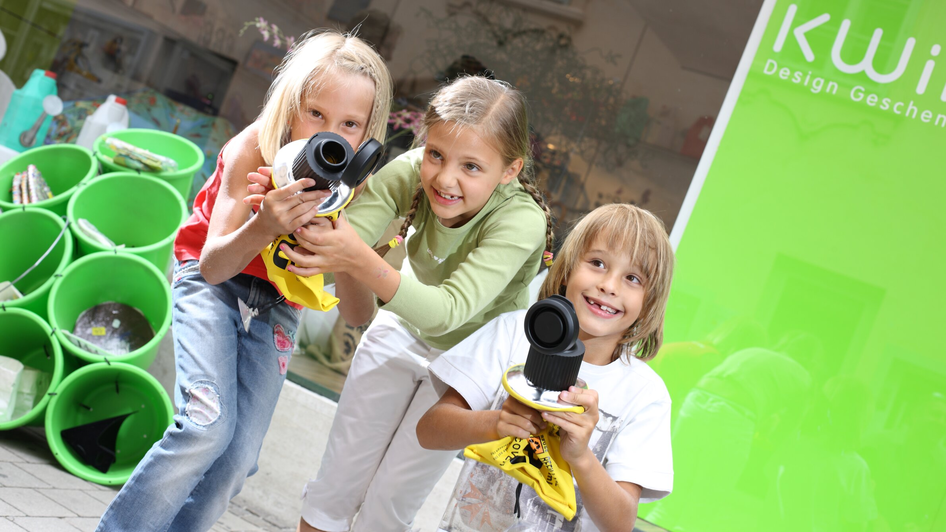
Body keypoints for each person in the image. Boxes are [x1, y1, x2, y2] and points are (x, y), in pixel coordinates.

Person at [95, 29, 393, 532]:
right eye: (316, 114)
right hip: (212, 283)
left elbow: (360, 314)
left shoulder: (349, 188)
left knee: (237, 459)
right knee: (205, 429)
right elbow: (213, 265)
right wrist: (266, 226)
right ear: (290, 105)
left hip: (277, 304)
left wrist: (345, 251)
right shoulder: (253, 147)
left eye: (350, 125)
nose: (331, 135)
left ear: (366, 140)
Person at [247, 75, 554, 531]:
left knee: (389, 505)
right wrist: (295, 224)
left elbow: (447, 310)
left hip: (468, 359)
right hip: (400, 327)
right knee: (336, 484)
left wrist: (354, 256)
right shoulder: (410, 171)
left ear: (510, 169)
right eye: (436, 154)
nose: (445, 178)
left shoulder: (520, 221)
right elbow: (343, 239)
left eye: (471, 167)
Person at [416, 203, 676, 531]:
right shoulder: (512, 333)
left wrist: (581, 456)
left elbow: (621, 523)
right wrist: (495, 422)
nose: (609, 285)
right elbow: (429, 430)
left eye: (633, 278)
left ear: (649, 301)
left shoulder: (644, 394)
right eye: (597, 263)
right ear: (567, 269)